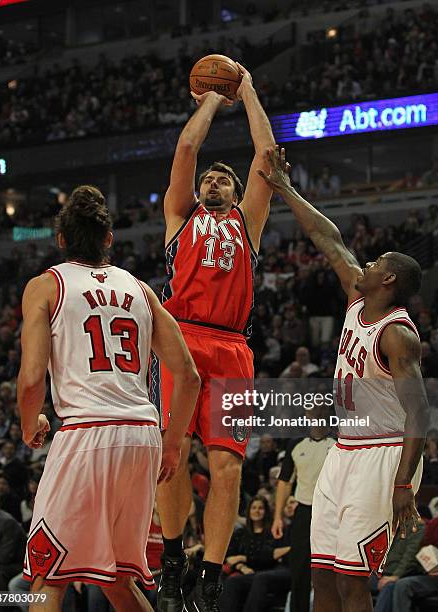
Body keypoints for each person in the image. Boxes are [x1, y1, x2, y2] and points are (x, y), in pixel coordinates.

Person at [258, 146, 429, 612]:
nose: (366, 264)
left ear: (389, 279)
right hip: (344, 450)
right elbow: (327, 237)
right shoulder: (358, 299)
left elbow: (420, 411)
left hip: (383, 455)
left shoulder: (397, 336)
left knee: (354, 581)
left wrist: (401, 484)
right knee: (322, 574)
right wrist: (285, 188)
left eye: (376, 263)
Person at [17, 185, 200, 612]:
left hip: (87, 434)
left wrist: (31, 425)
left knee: (49, 575)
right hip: (141, 436)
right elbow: (188, 376)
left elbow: (30, 382)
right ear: (108, 239)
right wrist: (171, 444)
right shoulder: (139, 289)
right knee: (116, 575)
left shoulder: (45, 287)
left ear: (61, 240)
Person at [153, 63, 275, 612]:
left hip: (232, 349)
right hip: (180, 342)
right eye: (211, 177)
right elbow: (185, 150)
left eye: (224, 177)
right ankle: (173, 558)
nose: (215, 181)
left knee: (228, 467)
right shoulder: (181, 217)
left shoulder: (247, 222)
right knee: (170, 456)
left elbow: (266, 157)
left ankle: (210, 574)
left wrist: (245, 90)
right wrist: (208, 99)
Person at [271, 418, 334, 612]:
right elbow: (285, 481)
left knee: (329, 571)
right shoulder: (295, 443)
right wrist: (277, 517)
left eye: (323, 409)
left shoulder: (339, 442)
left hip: (331, 512)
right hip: (303, 511)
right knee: (299, 571)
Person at [392, 485, 438, 611]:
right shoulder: (434, 524)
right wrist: (428, 567)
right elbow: (422, 549)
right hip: (433, 575)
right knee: (402, 585)